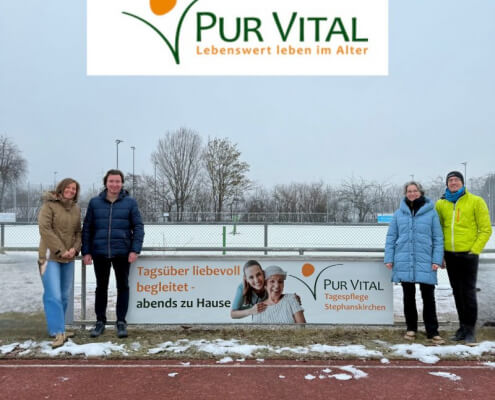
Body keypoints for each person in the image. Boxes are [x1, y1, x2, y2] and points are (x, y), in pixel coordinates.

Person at [82, 169, 144, 339]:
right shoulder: (95, 203)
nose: (114, 184)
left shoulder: (130, 203)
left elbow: (138, 227)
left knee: (123, 287)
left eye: (117, 181)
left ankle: (121, 322)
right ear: (106, 183)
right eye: (111, 181)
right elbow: (87, 228)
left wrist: (135, 249)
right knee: (101, 287)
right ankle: (100, 322)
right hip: (100, 252)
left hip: (122, 252)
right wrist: (86, 251)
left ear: (122, 183)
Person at [384, 181, 444, 344]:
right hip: (404, 259)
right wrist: (389, 257)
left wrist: (436, 259)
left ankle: (432, 331)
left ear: (420, 192)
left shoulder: (431, 213)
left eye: (415, 190)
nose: (412, 193)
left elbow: (438, 238)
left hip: (426, 260)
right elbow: (391, 237)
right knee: (408, 296)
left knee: (428, 296)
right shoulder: (399, 214)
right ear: (405, 194)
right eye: (409, 191)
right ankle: (411, 328)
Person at [435, 171, 492, 344]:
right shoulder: (441, 204)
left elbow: (485, 229)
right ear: (447, 184)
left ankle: (470, 330)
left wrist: (474, 250)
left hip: (468, 255)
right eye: (450, 180)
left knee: (468, 293)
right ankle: (461, 328)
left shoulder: (476, 201)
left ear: (462, 182)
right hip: (450, 255)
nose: (453, 183)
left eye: (456, 180)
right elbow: (438, 230)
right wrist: (441, 254)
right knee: (457, 292)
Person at [38, 178, 82, 349]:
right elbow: (45, 229)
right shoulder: (49, 206)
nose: (71, 190)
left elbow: (78, 232)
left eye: (74, 188)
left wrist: (74, 250)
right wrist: (60, 250)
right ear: (61, 188)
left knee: (64, 295)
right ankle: (58, 332)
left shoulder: (76, 208)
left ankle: (58, 328)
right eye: (68, 187)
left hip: (68, 258)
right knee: (53, 295)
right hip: (50, 257)